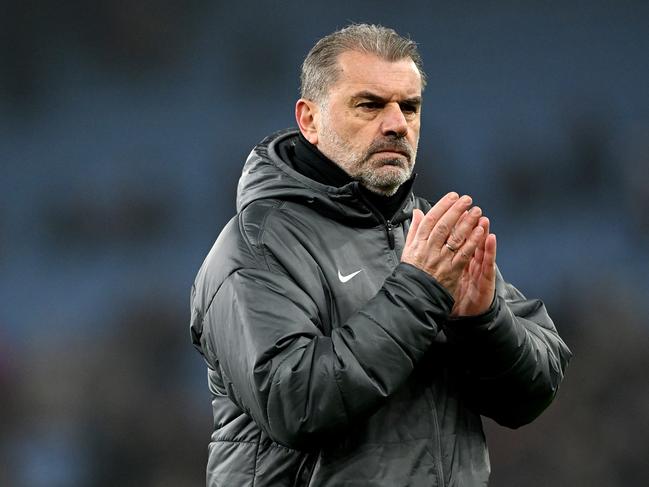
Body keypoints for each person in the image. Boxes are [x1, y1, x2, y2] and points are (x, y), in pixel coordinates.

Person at [190, 23, 571, 487]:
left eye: (409, 107)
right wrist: (419, 291)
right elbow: (295, 404)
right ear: (309, 119)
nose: (396, 124)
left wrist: (483, 320)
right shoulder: (257, 245)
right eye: (369, 105)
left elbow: (532, 392)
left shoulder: (429, 232)